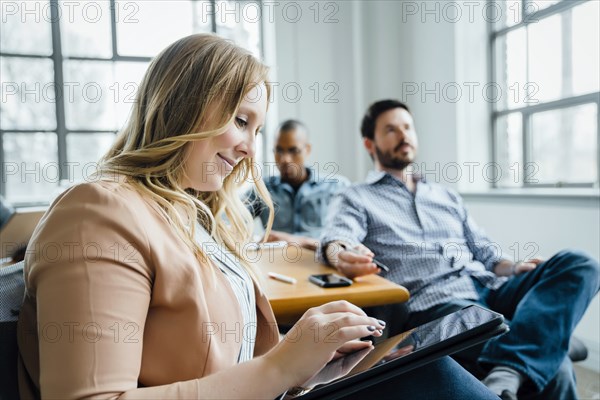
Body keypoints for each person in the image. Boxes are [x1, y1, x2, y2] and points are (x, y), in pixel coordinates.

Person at [16, 37, 498, 399]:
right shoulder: (97, 212)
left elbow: (228, 361)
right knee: (435, 380)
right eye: (240, 121)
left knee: (424, 370)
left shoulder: (193, 216)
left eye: (257, 128)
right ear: (184, 104)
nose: (251, 148)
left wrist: (309, 361)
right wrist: (280, 368)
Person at [320, 99, 600, 400]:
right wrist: (341, 253)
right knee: (556, 368)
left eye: (407, 127)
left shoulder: (446, 196)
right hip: (438, 305)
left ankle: (531, 341)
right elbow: (337, 238)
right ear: (369, 143)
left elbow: (488, 254)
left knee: (580, 264)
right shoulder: (357, 196)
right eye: (390, 129)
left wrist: (512, 267)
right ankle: (540, 341)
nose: (403, 135)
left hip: (491, 287)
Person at [250, 120, 350, 250]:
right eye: (279, 150)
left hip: (319, 262)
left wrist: (298, 241)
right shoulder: (262, 188)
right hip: (274, 264)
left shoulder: (337, 187)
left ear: (307, 150)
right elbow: (231, 218)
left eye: (293, 150)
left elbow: (347, 241)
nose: (285, 159)